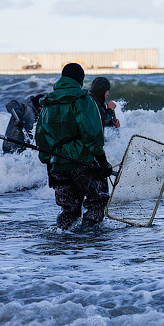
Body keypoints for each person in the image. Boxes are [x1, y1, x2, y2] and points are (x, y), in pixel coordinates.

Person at [35, 63, 114, 230]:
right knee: (98, 201)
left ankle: (64, 240)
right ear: (80, 80)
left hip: (57, 163)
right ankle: (88, 238)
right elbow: (92, 134)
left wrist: (49, 163)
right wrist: (102, 161)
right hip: (82, 161)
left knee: (69, 209)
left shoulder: (48, 103)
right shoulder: (83, 100)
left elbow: (41, 137)